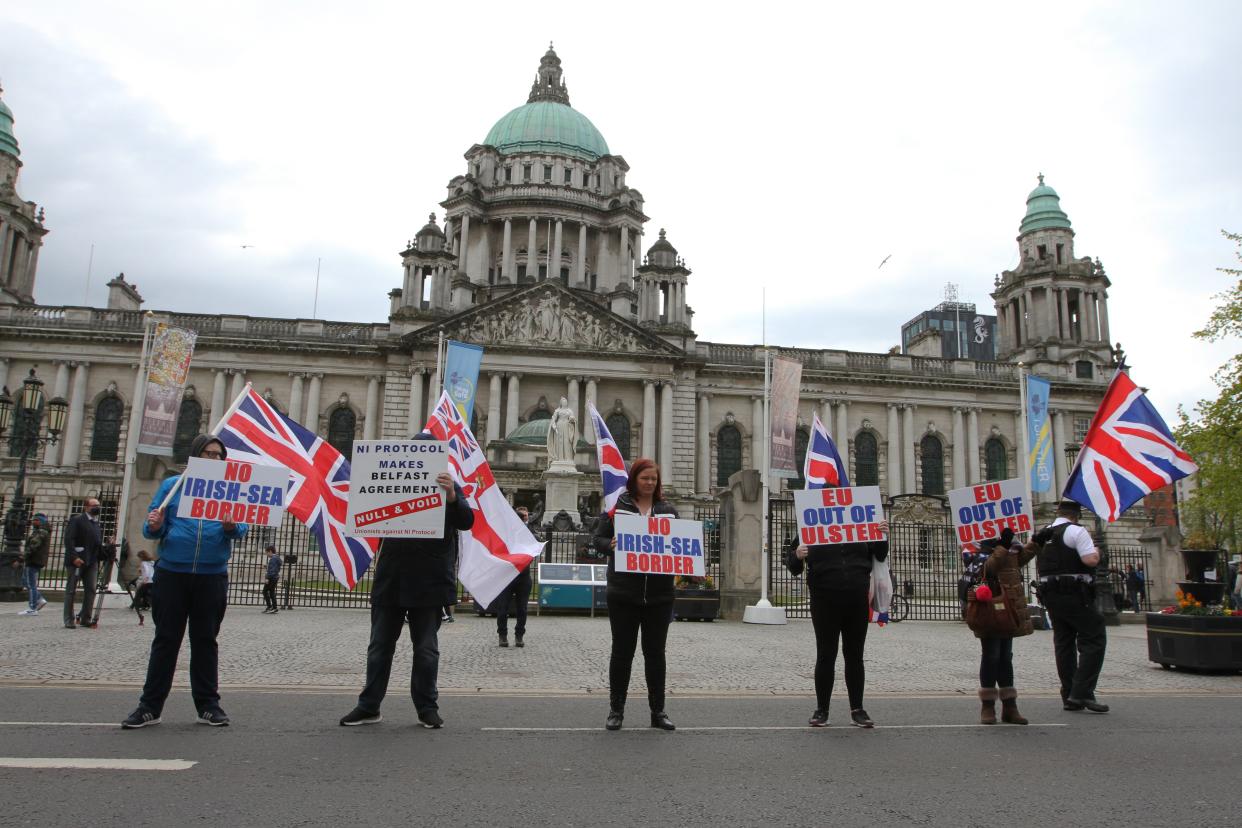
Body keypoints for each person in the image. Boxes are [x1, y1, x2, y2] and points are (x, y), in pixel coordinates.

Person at [122, 435, 249, 729]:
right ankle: (150, 706)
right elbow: (152, 528)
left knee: (205, 641)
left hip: (211, 574)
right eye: (208, 453)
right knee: (166, 641)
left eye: (218, 455)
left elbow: (240, 529)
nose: (214, 459)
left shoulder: (231, 490)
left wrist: (232, 526)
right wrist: (153, 524)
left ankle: (208, 705)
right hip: (173, 573)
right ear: (195, 456)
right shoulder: (173, 486)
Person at [339, 465, 473, 728]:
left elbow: (467, 521)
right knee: (379, 647)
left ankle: (427, 708)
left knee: (425, 649)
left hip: (429, 580)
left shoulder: (447, 483)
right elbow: (365, 512)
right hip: (393, 577)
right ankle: (369, 706)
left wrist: (452, 498)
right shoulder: (391, 481)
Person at [591, 458, 678, 732]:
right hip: (624, 594)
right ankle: (616, 709)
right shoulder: (619, 509)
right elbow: (598, 540)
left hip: (659, 595)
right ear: (634, 480)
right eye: (645, 478)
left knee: (656, 655)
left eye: (654, 479)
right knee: (622, 653)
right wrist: (611, 544)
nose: (650, 483)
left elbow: (678, 546)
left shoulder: (667, 510)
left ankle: (658, 711)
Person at [785, 503, 889, 729]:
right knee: (826, 654)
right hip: (824, 599)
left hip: (856, 598)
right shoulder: (810, 527)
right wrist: (797, 555)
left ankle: (857, 709)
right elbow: (793, 566)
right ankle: (822, 709)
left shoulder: (861, 526)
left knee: (855, 655)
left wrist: (882, 535)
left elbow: (879, 554)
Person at [1032, 499, 1108, 714]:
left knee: (1063, 642)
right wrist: (1098, 553)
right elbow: (1090, 560)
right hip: (1075, 593)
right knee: (1094, 637)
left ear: (1058, 512)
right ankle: (1081, 692)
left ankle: (1069, 694)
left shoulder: (1044, 532)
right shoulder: (1076, 531)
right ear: (1076, 515)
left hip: (1050, 594)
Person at [971, 528, 1036, 725]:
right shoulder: (978, 539)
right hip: (990, 604)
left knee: (1006, 656)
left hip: (1009, 604)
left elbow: (1016, 563)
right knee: (991, 655)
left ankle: (1010, 706)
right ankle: (988, 705)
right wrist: (1002, 545)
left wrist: (1035, 544)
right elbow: (988, 568)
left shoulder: (1010, 541)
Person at [63, 496, 107, 629]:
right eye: (94, 505)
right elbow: (69, 539)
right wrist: (74, 557)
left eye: (98, 505)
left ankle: (85, 617)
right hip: (77, 561)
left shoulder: (95, 523)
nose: (97, 508)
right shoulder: (77, 520)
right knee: (71, 590)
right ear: (86, 507)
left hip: (91, 561)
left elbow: (96, 543)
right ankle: (68, 619)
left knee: (91, 589)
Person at [495, 508, 533, 647]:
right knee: (502, 608)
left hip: (523, 575)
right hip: (506, 575)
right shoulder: (504, 534)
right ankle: (502, 635)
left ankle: (519, 635)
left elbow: (535, 547)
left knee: (522, 608)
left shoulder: (528, 532)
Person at [17, 513, 50, 616]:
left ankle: (33, 607)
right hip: (33, 560)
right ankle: (39, 599)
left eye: (35, 520)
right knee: (24, 581)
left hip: (34, 560)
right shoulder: (39, 531)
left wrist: (22, 558)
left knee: (31, 584)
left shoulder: (41, 532)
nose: (33, 522)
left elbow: (33, 546)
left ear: (40, 521)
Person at [262, 545, 281, 614]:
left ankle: (271, 607)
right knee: (271, 592)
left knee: (265, 591)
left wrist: (267, 578)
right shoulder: (277, 558)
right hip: (275, 577)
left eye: (267, 553)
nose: (267, 554)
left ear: (270, 551)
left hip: (272, 578)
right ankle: (273, 607)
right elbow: (274, 568)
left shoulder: (273, 559)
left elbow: (272, 570)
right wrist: (267, 566)